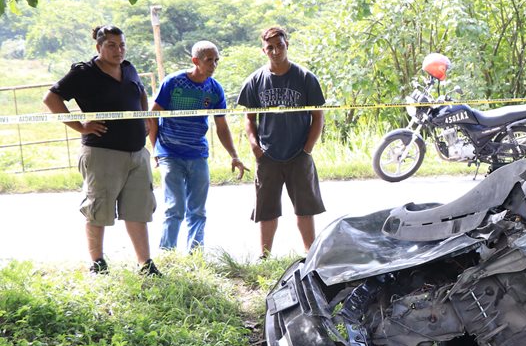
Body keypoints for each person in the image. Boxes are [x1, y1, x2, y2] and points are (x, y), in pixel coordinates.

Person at [42, 25, 160, 275]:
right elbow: (51, 99)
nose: (118, 50)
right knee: (98, 210)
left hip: (137, 152)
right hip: (102, 153)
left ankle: (145, 264)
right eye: (111, 45)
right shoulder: (83, 72)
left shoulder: (129, 68)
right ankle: (98, 263)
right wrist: (79, 125)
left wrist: (145, 119)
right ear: (98, 47)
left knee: (138, 209)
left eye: (122, 45)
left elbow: (140, 94)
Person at [146, 41, 247, 253]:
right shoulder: (173, 82)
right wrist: (156, 149)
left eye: (216, 60)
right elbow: (152, 116)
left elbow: (221, 125)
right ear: (196, 61)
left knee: (198, 210)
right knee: (175, 207)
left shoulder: (214, 89)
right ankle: (167, 253)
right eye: (209, 60)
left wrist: (234, 155)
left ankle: (195, 254)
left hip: (198, 154)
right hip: (170, 153)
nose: (214, 64)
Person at [237, 26, 326, 256]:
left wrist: (307, 148)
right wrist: (255, 146)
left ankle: (310, 254)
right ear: (263, 50)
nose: (275, 51)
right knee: (266, 210)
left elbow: (318, 117)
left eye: (280, 46)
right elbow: (249, 118)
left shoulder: (306, 78)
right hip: (268, 155)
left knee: (305, 209)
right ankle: (264, 256)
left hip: (299, 154)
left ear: (287, 45)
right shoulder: (255, 81)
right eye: (270, 47)